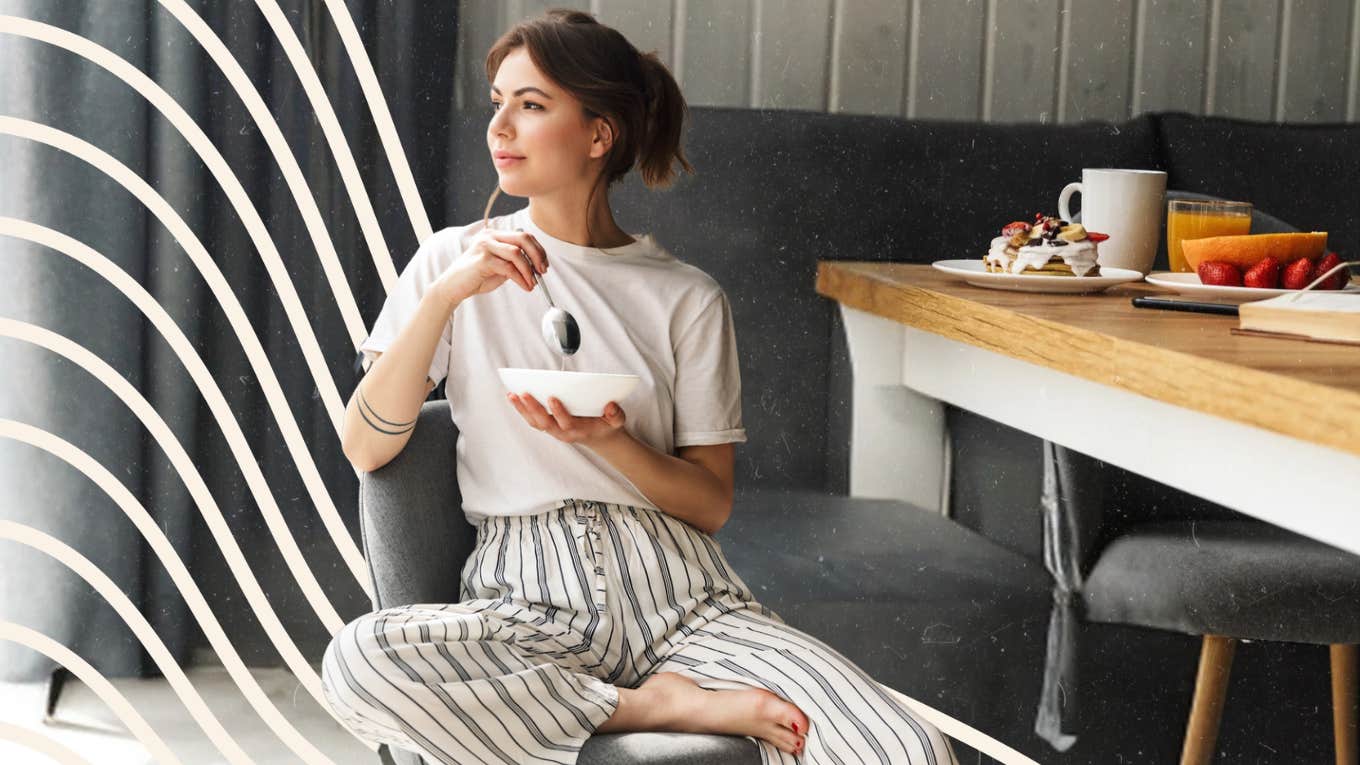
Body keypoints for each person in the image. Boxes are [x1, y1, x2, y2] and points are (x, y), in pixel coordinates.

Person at [320, 8, 957, 764]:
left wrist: (611, 441)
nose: (502, 127)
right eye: (499, 102)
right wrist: (445, 299)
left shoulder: (686, 296)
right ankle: (645, 705)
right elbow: (365, 444)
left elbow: (709, 504)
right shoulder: (450, 263)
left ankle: (639, 700)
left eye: (531, 105)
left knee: (906, 747)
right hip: (524, 595)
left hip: (684, 598)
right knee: (359, 659)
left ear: (599, 134)